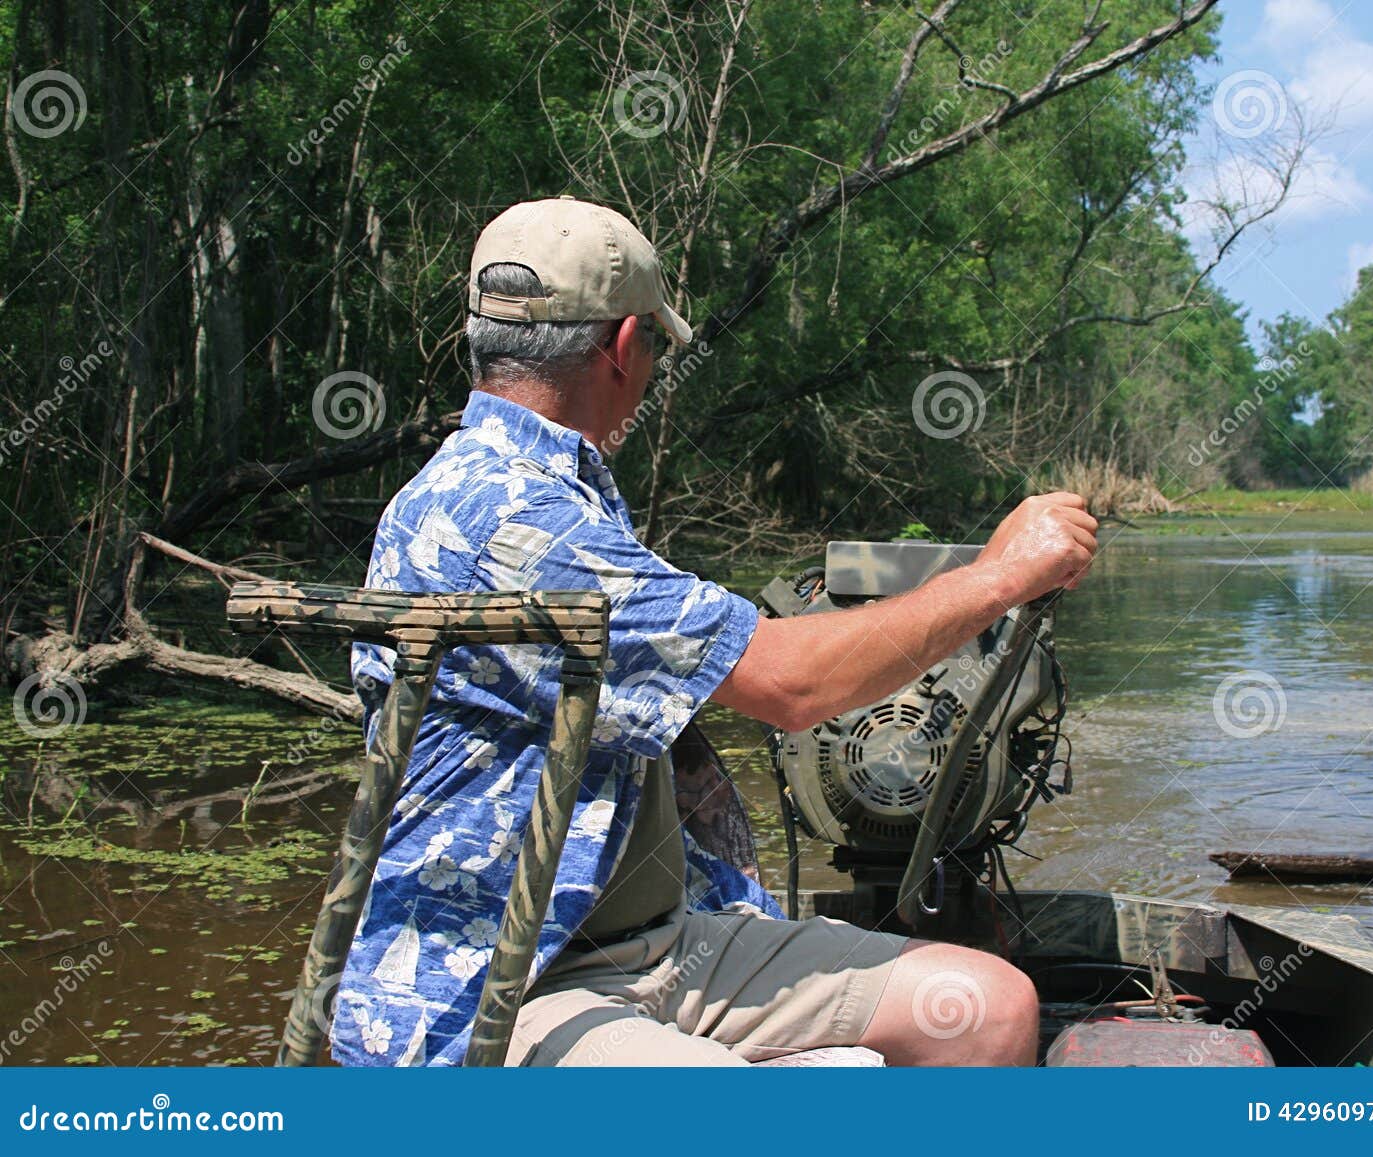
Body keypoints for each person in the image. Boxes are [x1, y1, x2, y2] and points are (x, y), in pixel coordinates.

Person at [329, 197, 1099, 1067]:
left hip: (657, 944)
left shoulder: (538, 491)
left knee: (988, 1006)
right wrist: (1002, 575)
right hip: (506, 984)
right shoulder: (511, 516)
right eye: (655, 344)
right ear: (624, 348)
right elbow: (789, 687)